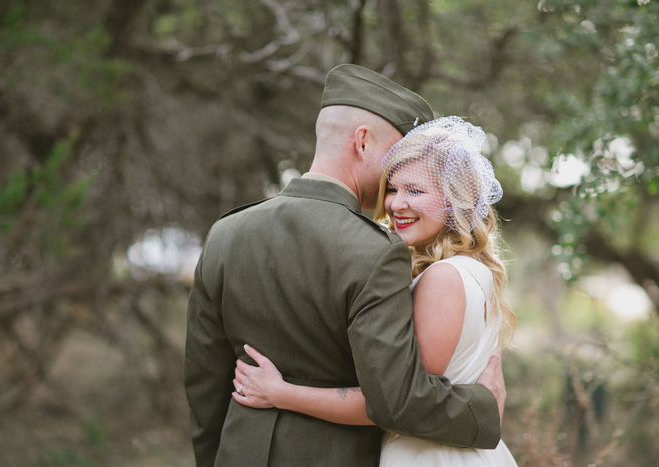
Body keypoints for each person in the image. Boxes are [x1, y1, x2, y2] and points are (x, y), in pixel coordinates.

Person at [185, 64, 504, 467]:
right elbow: (398, 398)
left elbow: (205, 385)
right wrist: (481, 407)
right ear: (363, 142)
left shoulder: (225, 233)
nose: (395, 177)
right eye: (396, 155)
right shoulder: (374, 250)